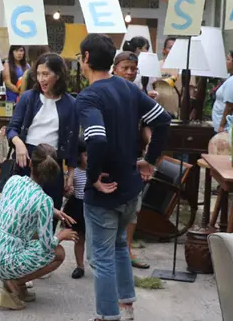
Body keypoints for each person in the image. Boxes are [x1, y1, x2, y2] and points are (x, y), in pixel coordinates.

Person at [77, 33, 171, 321]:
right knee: (119, 246)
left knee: (101, 257)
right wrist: (149, 161)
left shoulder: (88, 96)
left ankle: (107, 316)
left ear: (87, 59)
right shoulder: (127, 88)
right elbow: (163, 119)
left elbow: (97, 139)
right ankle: (126, 306)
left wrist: (92, 177)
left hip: (105, 193)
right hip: (131, 188)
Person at [0, 143, 79, 310]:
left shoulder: (14, 181)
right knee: (57, 253)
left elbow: (23, 203)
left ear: (31, 162)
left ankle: (20, 288)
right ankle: (13, 284)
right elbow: (47, 245)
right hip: (3, 259)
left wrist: (52, 211)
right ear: (52, 174)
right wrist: (62, 235)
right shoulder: (44, 201)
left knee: (28, 235)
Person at [7, 53, 80, 219]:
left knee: (48, 214)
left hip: (53, 163)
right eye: (38, 74)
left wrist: (70, 176)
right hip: (26, 160)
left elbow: (73, 143)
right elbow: (12, 128)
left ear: (59, 74)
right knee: (21, 215)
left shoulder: (71, 104)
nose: (41, 79)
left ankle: (46, 244)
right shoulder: (28, 98)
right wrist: (18, 143)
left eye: (46, 74)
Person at [112, 51, 153, 270]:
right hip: (110, 158)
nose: (129, 72)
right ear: (114, 68)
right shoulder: (106, 91)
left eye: (133, 68)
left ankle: (126, 250)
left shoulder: (140, 95)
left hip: (134, 158)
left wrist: (151, 146)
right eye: (125, 67)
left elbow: (147, 124)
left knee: (133, 206)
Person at [63, 140, 88, 279]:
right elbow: (66, 193)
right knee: (79, 239)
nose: (88, 157)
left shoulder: (98, 171)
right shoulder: (75, 172)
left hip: (94, 206)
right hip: (78, 206)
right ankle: (80, 266)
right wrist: (68, 190)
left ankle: (100, 264)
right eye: (85, 154)